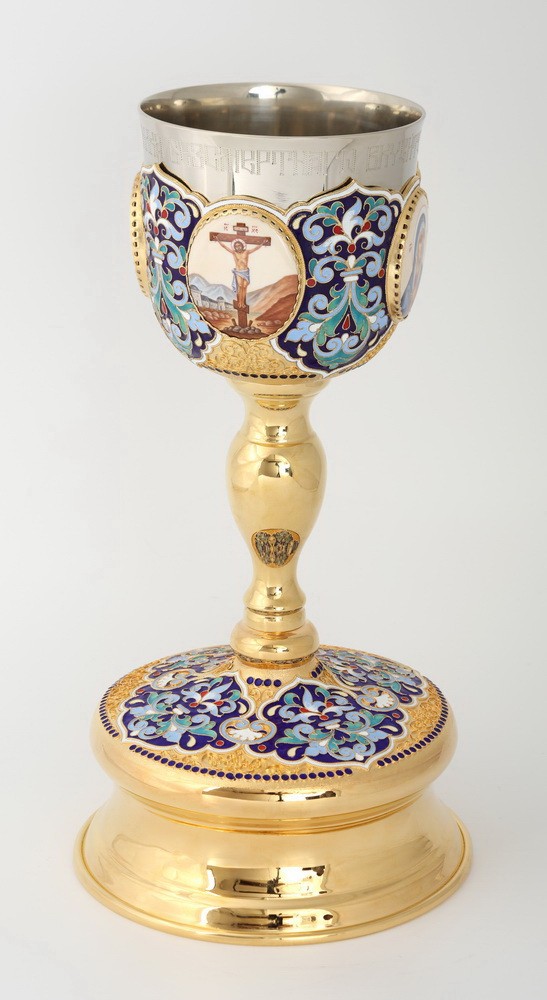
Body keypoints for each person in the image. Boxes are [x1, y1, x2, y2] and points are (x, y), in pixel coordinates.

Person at [217, 238, 263, 308]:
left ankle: (243, 303)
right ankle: (240, 302)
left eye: (239, 245)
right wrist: (218, 239)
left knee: (244, 287)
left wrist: (262, 243)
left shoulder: (246, 252)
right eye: (236, 246)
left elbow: (256, 248)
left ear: (242, 246)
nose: (238, 247)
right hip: (238, 272)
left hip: (246, 272)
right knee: (240, 286)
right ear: (234, 247)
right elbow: (224, 247)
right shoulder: (234, 253)